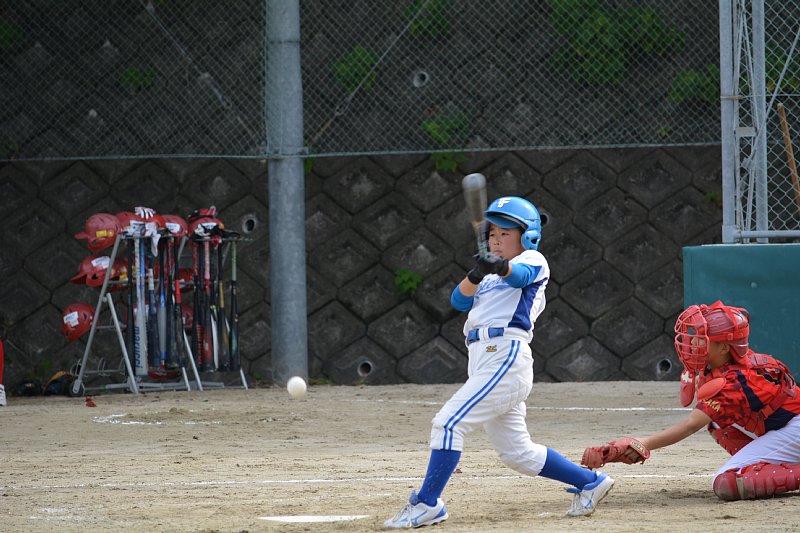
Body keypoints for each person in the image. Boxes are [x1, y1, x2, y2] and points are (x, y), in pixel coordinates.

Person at [384, 196, 614, 529]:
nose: (496, 239)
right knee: (517, 453)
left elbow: (519, 277)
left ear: (527, 236)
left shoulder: (532, 260)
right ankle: (590, 482)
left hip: (505, 356)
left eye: (506, 233)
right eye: (492, 233)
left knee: (448, 424)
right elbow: (458, 300)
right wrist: (478, 272)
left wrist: (499, 266)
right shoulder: (490, 275)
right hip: (483, 358)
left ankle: (427, 503)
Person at [581, 301, 800, 501]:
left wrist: (643, 443)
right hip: (786, 428)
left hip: (795, 429)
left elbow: (691, 425)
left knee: (727, 482)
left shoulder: (734, 382)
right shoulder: (723, 364)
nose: (694, 342)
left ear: (724, 348)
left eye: (703, 339)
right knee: (718, 425)